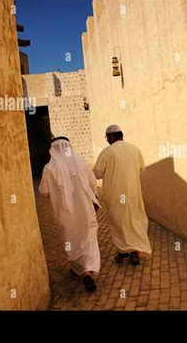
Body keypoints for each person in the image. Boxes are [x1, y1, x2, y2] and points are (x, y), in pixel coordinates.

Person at [39, 136, 101, 292]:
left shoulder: (48, 169)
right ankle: (88, 270)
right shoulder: (80, 163)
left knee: (70, 239)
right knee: (89, 238)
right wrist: (94, 198)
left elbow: (43, 191)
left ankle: (78, 268)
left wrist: (56, 194)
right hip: (85, 211)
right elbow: (93, 184)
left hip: (64, 214)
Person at [93, 125, 152, 265]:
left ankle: (123, 251)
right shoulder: (135, 149)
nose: (107, 139)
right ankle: (134, 253)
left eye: (107, 137)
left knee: (119, 223)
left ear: (112, 136)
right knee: (134, 221)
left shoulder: (107, 152)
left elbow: (97, 173)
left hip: (115, 196)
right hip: (133, 194)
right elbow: (142, 168)